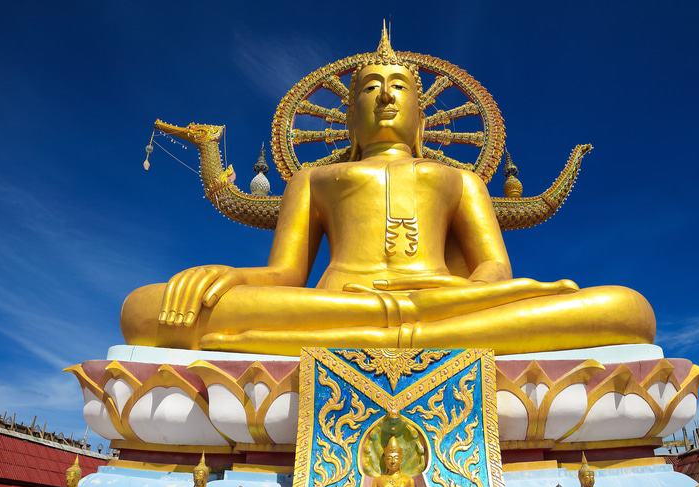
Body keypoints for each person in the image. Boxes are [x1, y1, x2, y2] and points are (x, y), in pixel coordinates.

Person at [120, 26, 655, 357]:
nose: (384, 97)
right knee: (147, 310)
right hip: (340, 305)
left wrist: (457, 295)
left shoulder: (460, 180)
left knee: (626, 310)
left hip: (446, 303)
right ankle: (410, 339)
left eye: (399, 86)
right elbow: (286, 276)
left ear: (424, 117)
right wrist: (226, 276)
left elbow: (494, 272)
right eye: (370, 88)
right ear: (348, 114)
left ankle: (377, 339)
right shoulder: (314, 179)